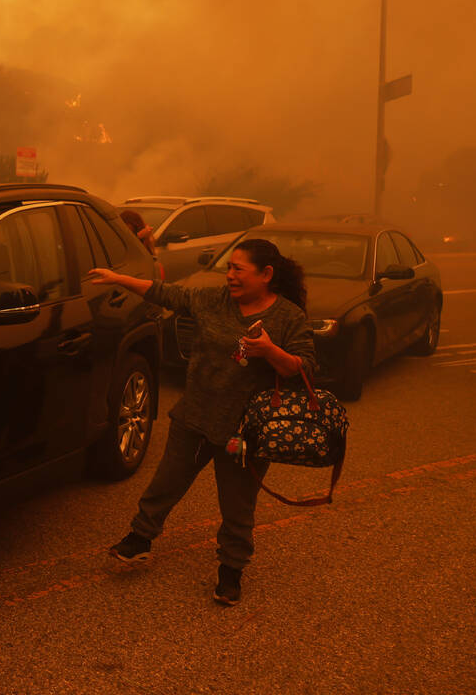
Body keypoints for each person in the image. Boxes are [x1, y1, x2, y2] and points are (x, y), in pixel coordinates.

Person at [88, 238, 316, 606]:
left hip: (245, 434)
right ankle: (140, 539)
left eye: (238, 269)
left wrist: (270, 351)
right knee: (165, 483)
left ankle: (231, 571)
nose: (230, 276)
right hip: (195, 417)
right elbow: (168, 294)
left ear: (266, 274)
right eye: (228, 268)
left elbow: (305, 369)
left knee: (238, 507)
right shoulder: (213, 301)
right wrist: (119, 279)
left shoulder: (288, 317)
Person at [119, 209, 164, 280]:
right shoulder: (119, 246)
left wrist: (139, 237)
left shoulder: (146, 259)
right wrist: (139, 237)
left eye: (130, 233)